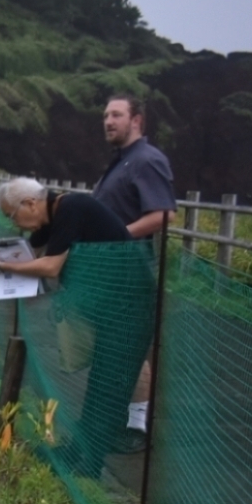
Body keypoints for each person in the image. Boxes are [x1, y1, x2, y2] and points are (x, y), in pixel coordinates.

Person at [0, 177, 155, 478]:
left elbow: (49, 266)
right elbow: (26, 252)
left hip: (130, 306)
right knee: (100, 381)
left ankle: (90, 465)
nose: (15, 223)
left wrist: (0, 266)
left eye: (12, 215)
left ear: (31, 203)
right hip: (110, 306)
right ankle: (77, 452)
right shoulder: (55, 214)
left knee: (110, 385)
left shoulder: (72, 207)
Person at [93, 93, 174, 451]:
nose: (108, 121)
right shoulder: (122, 162)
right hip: (111, 272)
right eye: (106, 115)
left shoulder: (146, 160)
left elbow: (162, 215)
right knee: (116, 349)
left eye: (116, 114)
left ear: (137, 120)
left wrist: (119, 234)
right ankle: (116, 423)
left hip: (132, 272)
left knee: (130, 348)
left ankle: (137, 427)